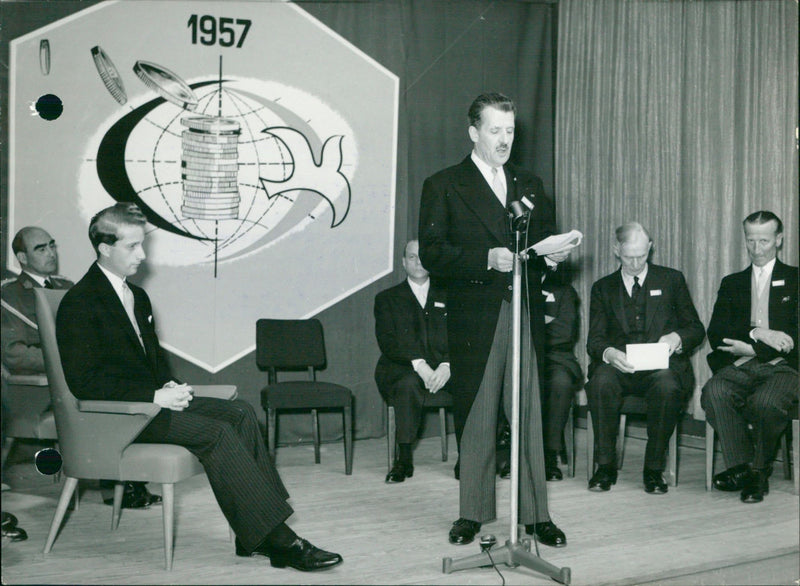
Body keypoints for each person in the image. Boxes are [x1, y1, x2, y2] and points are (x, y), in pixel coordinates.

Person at [56, 203, 342, 572]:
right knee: (217, 433)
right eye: (132, 247)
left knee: (241, 413)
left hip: (149, 404)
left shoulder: (135, 296)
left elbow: (150, 361)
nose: (142, 256)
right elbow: (84, 381)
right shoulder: (80, 302)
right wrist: (153, 396)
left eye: (142, 245)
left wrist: (167, 385)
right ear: (104, 248)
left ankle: (251, 533)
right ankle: (281, 540)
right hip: (120, 417)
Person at [419, 92, 568, 548]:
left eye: (510, 131)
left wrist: (554, 256)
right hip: (476, 318)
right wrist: (487, 258)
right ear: (473, 132)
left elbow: (540, 245)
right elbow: (432, 253)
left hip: (524, 311)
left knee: (528, 412)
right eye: (495, 131)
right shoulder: (444, 184)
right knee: (479, 414)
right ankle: (473, 512)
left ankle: (536, 514)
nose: (504, 140)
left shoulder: (530, 182)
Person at [1, 227, 158, 509]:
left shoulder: (67, 286)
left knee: (123, 385)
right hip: (36, 390)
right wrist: (73, 360)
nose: (51, 253)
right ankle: (119, 485)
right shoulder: (9, 295)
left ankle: (125, 483)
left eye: (52, 245)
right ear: (22, 257)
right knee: (109, 392)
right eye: (41, 249)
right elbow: (15, 355)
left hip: (75, 381)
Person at [585, 222, 704, 494]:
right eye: (629, 257)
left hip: (661, 367)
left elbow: (695, 328)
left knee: (667, 386)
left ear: (650, 248)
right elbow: (594, 340)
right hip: (619, 366)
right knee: (600, 382)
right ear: (617, 250)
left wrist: (677, 338)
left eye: (642, 255)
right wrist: (609, 353)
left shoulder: (672, 280)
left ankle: (653, 470)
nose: (637, 262)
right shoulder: (602, 288)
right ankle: (604, 467)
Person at [701, 211, 798, 504]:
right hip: (740, 366)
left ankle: (756, 471)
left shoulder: (795, 280)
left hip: (786, 369)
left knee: (765, 403)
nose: (757, 249)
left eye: (764, 241)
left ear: (779, 240)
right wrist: (760, 334)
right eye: (751, 241)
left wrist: (754, 347)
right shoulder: (733, 283)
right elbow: (717, 333)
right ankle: (746, 469)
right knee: (714, 392)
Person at [374, 240, 450, 483]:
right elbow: (389, 342)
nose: (418, 262)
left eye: (423, 256)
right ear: (404, 262)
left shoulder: (450, 295)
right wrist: (420, 365)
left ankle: (468, 459)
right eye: (412, 257)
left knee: (475, 381)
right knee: (407, 385)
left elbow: (463, 337)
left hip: (445, 369)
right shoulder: (387, 298)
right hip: (401, 368)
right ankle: (403, 458)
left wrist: (448, 365)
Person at [496, 271, 583, 481]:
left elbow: (564, 333)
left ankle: (549, 455)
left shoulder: (564, 292)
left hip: (554, 358)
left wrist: (526, 324)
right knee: (502, 380)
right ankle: (511, 455)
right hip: (513, 356)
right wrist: (542, 321)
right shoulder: (508, 287)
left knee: (560, 383)